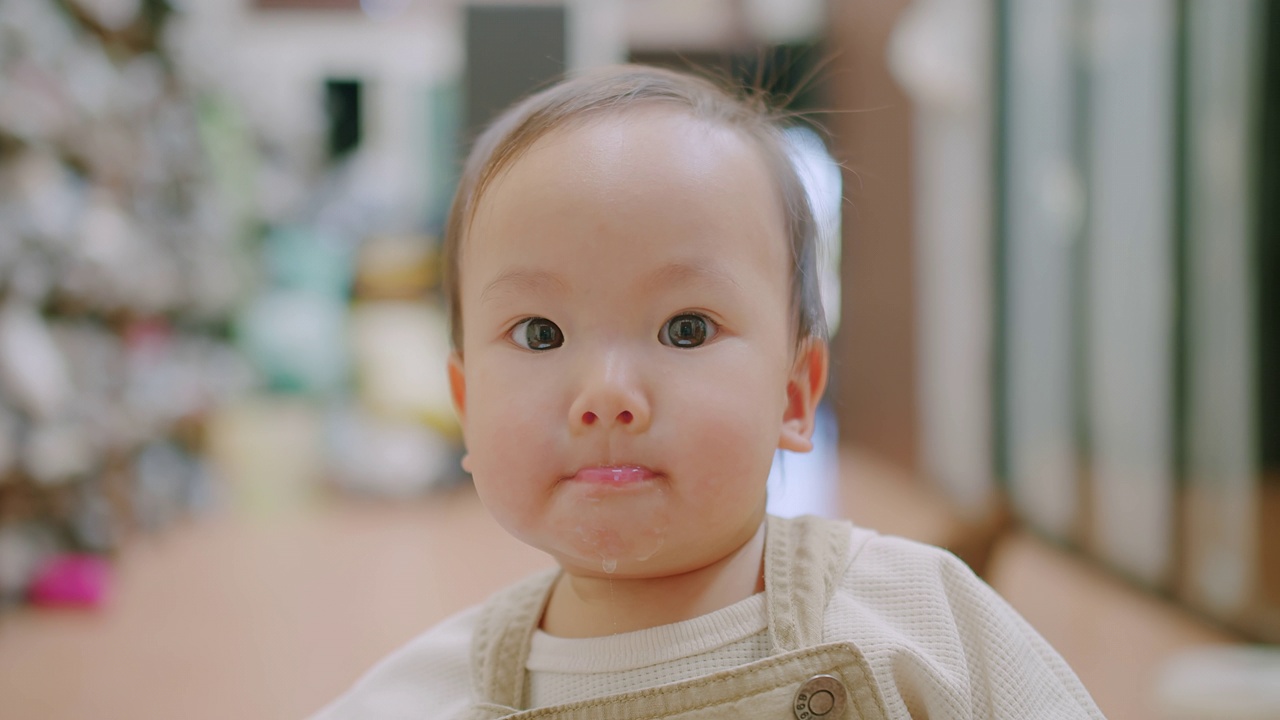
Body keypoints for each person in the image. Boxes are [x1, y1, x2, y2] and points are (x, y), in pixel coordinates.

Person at [311, 65, 1104, 720]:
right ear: (465, 405)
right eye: (540, 334)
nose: (608, 396)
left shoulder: (919, 622)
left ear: (794, 396)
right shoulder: (425, 697)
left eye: (685, 329)